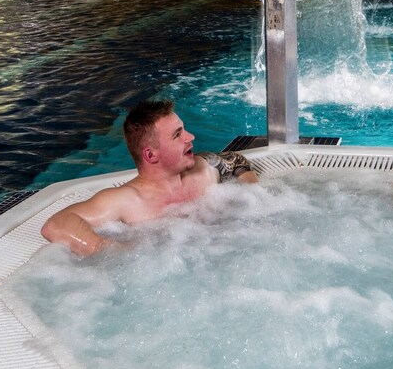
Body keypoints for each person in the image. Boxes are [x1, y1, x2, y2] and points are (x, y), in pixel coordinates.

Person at [41, 99, 258, 256]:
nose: (190, 137)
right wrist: (113, 251)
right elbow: (57, 224)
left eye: (184, 130)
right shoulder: (127, 200)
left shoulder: (204, 169)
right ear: (150, 154)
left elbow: (236, 160)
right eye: (177, 135)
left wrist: (253, 195)